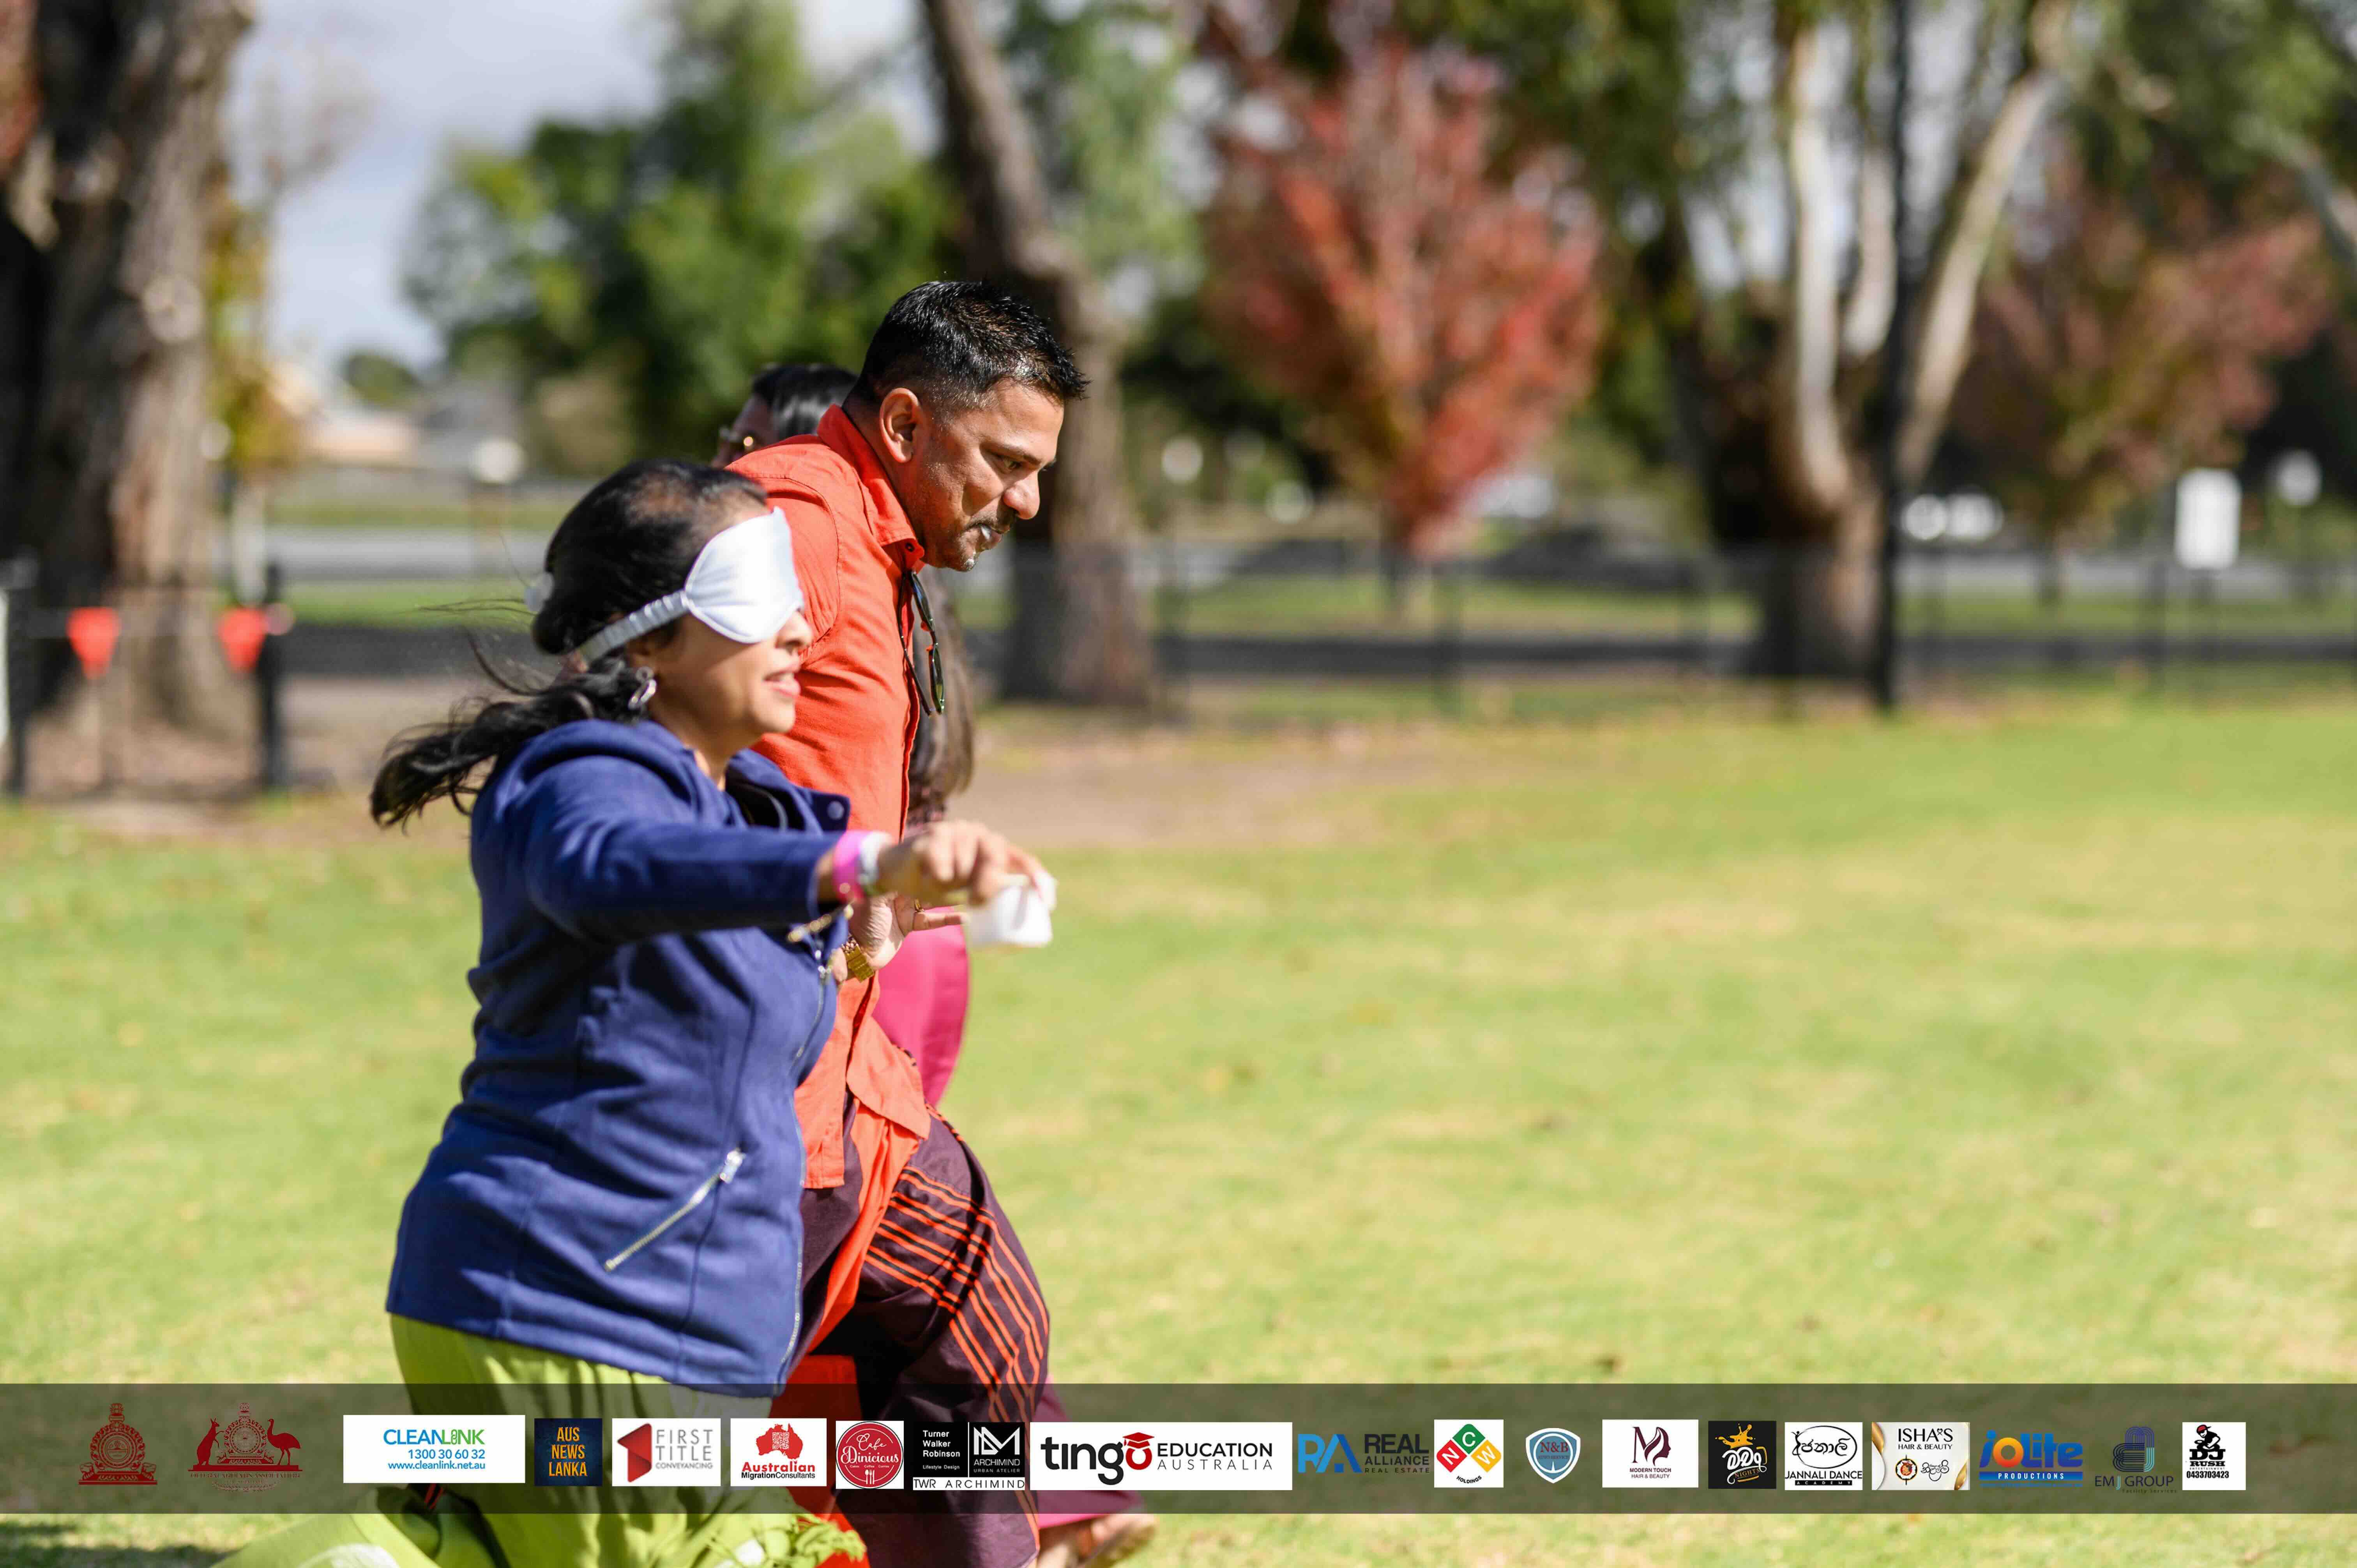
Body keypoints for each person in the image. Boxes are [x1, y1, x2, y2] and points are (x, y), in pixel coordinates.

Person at [216, 461, 1042, 1568]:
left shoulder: (728, 812)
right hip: (583, 1315)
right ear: (647, 641)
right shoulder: (580, 778)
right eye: (760, 598)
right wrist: (852, 861)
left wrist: (855, 936)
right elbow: (609, 866)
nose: (801, 629)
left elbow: (692, 1009)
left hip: (642, 1334)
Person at [728, 286, 1150, 1568]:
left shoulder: (882, 542)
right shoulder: (793, 524)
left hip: (847, 1071)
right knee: (654, 1435)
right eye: (1007, 464)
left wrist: (883, 885)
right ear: (905, 423)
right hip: (745, 1093)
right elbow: (642, 753)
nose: (1027, 502)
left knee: (966, 1324)